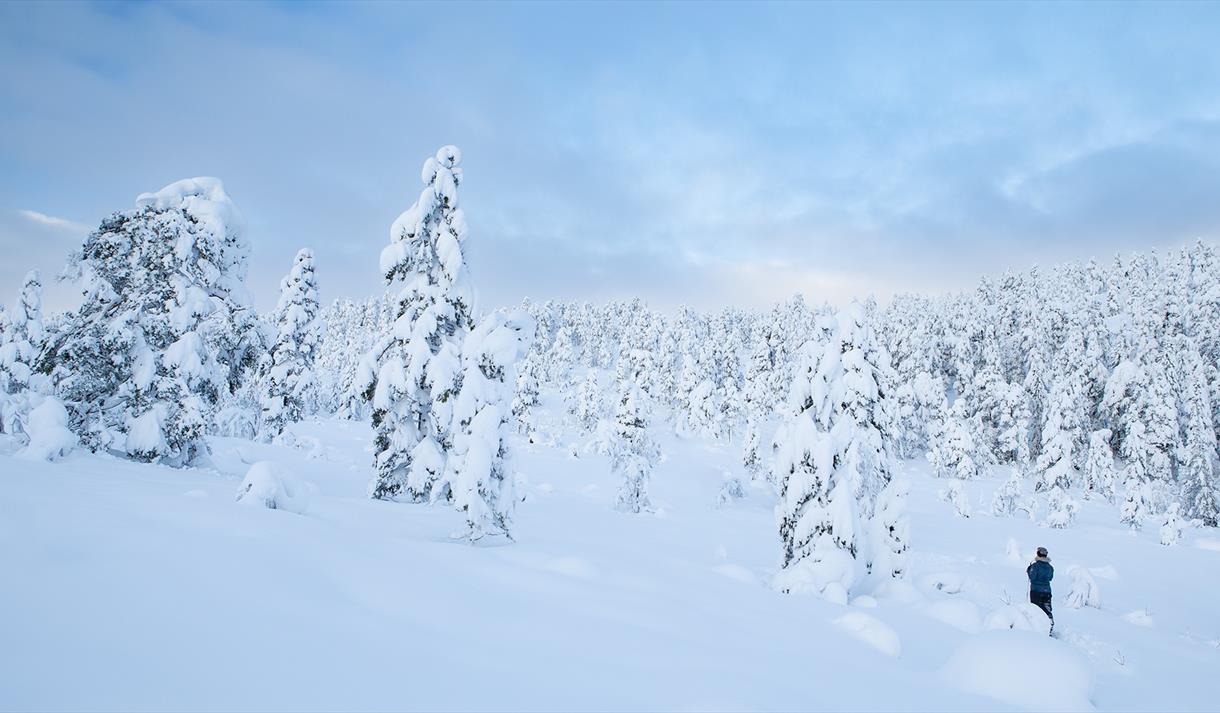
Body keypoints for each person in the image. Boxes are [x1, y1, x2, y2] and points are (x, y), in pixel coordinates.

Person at [1027, 546, 1054, 633]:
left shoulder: (1035, 566)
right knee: (1047, 609)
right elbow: (1050, 578)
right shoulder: (1050, 567)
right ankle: (1049, 625)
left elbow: (1032, 577)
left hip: (1036, 591)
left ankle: (1038, 629)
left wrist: (1029, 570)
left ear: (1038, 554)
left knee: (1036, 610)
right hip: (1047, 591)